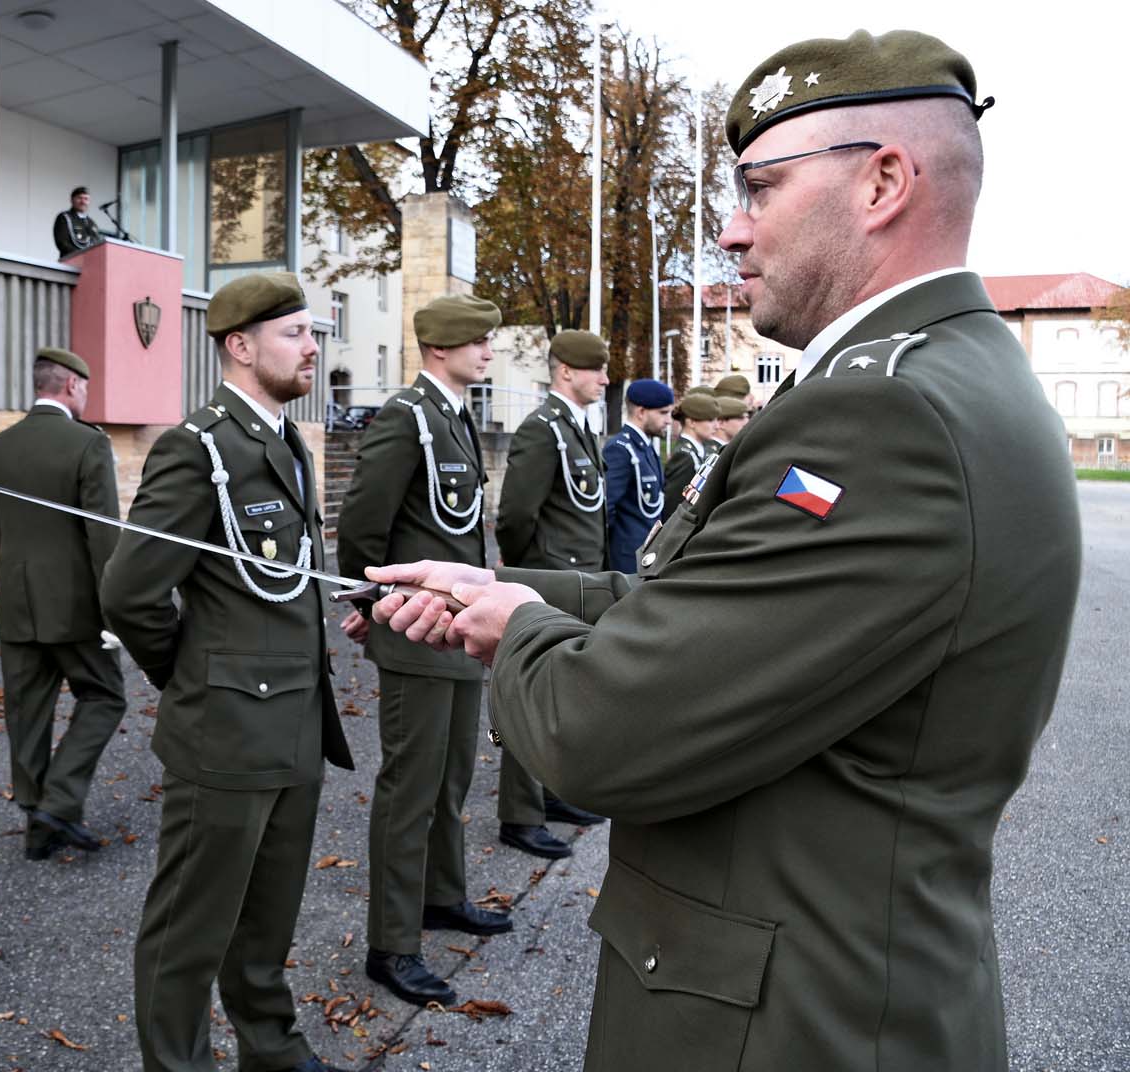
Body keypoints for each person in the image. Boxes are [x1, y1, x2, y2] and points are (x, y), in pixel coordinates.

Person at [364, 28, 1080, 1072]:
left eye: (760, 189)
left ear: (883, 181)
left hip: (783, 1021)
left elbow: (602, 732)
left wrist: (514, 626)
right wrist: (501, 581)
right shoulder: (946, 377)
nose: (733, 234)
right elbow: (722, 606)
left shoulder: (883, 418)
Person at [101, 271, 353, 1072]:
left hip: (294, 724)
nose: (312, 347)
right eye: (295, 334)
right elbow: (131, 590)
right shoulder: (200, 446)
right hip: (227, 730)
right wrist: (194, 679)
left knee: (268, 916)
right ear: (240, 347)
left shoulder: (284, 441)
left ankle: (270, 1046)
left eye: (314, 333)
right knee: (190, 925)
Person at [335, 293, 511, 1009]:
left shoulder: (453, 416)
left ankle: (443, 896)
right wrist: (370, 607)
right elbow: (363, 523)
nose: (490, 352)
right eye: (479, 341)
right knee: (409, 791)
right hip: (414, 631)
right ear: (441, 348)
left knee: (452, 779)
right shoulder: (407, 418)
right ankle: (393, 943)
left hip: (455, 627)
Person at [0, 347, 125, 857]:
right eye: (85, 387)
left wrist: (18, 585)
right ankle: (58, 804)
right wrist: (114, 611)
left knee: (27, 711)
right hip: (76, 609)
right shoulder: (87, 443)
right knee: (106, 696)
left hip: (17, 602)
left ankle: (36, 817)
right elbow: (102, 534)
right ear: (70, 386)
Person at [491, 329, 611, 859]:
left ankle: (550, 794)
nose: (606, 379)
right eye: (597, 369)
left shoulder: (578, 428)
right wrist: (522, 571)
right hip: (547, 574)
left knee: (564, 693)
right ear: (566, 371)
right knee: (532, 690)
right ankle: (520, 813)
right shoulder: (543, 429)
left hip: (577, 576)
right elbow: (517, 513)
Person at [600, 379, 672, 573]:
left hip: (646, 555)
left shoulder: (645, 448)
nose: (669, 420)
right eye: (663, 413)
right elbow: (607, 508)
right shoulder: (620, 448)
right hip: (627, 559)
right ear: (641, 412)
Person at [662, 391, 719, 518]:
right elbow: (674, 506)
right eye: (710, 420)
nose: (716, 426)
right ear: (692, 422)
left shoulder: (696, 451)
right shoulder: (685, 456)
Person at [53, 185, 102, 258]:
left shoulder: (92, 223)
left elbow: (97, 244)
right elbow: (62, 243)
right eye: (79, 198)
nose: (83, 202)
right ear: (72, 200)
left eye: (86, 199)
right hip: (70, 260)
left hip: (90, 263)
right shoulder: (64, 217)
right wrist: (81, 255)